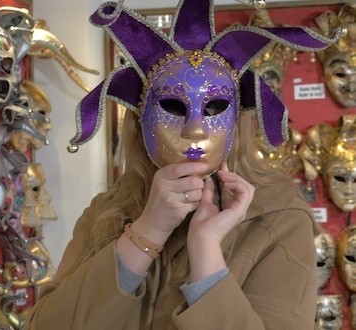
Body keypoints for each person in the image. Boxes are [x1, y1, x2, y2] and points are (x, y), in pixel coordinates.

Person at [24, 0, 339, 329]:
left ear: (237, 120)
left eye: (214, 106)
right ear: (139, 118)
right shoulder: (108, 212)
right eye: (173, 106)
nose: (195, 130)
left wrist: (206, 252)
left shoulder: (279, 217)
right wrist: (146, 232)